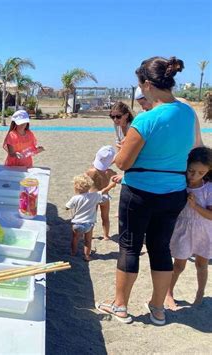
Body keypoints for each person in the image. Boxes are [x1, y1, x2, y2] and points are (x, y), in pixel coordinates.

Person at [96, 56, 195, 326]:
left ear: (148, 85)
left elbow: (124, 163)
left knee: (129, 247)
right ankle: (158, 308)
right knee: (160, 248)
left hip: (139, 193)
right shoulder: (188, 112)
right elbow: (195, 149)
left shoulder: (146, 120)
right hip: (174, 192)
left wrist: (122, 153)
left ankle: (120, 306)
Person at [165, 146, 212, 310]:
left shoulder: (208, 188)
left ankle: (200, 293)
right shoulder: (179, 184)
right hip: (183, 229)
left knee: (202, 264)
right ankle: (168, 293)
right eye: (191, 171)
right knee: (178, 265)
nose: (195, 176)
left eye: (201, 173)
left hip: (204, 231)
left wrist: (195, 206)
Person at [66, 174, 116, 261]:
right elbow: (104, 190)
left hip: (77, 223)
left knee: (75, 239)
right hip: (89, 224)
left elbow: (67, 207)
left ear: (76, 187)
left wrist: (68, 207)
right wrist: (111, 185)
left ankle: (73, 252)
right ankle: (87, 256)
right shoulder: (94, 196)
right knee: (88, 241)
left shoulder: (75, 198)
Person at [85, 145, 117, 240]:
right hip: (104, 197)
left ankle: (89, 235)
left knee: (91, 218)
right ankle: (106, 235)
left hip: (93, 196)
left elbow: (84, 181)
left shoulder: (90, 171)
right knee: (105, 217)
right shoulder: (110, 172)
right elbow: (115, 179)